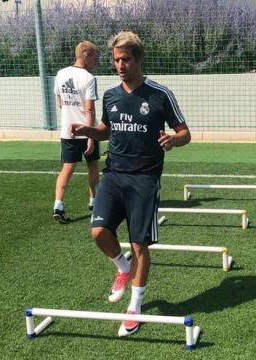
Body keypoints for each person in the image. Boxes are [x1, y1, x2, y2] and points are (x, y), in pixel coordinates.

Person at [70, 31, 191, 337]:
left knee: (139, 244)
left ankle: (135, 306)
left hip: (145, 179)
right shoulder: (110, 95)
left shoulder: (160, 94)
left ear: (139, 59)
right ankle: (122, 269)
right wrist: (89, 130)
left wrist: (173, 140)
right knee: (98, 232)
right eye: (115, 60)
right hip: (113, 175)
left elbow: (185, 132)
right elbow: (105, 130)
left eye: (125, 59)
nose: (119, 65)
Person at [52, 41, 101, 224]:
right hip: (86, 130)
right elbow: (89, 110)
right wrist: (90, 135)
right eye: (95, 57)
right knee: (93, 166)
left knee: (67, 168)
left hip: (68, 131)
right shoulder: (88, 78)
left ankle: (58, 205)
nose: (97, 61)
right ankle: (94, 203)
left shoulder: (61, 73)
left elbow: (58, 99)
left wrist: (69, 112)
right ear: (86, 55)